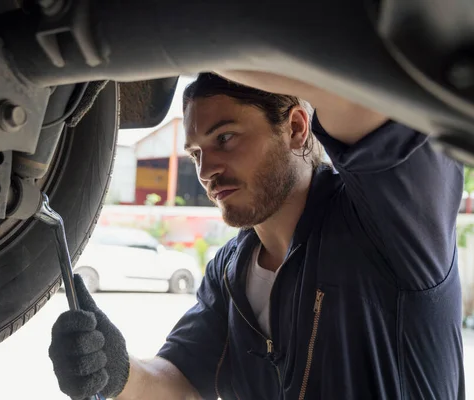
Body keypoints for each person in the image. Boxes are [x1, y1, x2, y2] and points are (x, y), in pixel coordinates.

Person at [49, 72, 465, 399]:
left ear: (298, 128)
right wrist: (116, 369)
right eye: (196, 152)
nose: (205, 170)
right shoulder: (230, 273)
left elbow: (364, 95)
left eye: (225, 138)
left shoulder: (386, 222)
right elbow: (178, 386)